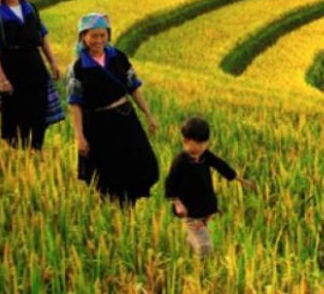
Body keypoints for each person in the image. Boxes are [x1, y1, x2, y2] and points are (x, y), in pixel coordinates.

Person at [65, 13, 159, 204]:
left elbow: (134, 87)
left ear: (108, 35)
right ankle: (114, 209)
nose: (99, 40)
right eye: (93, 36)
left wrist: (148, 114)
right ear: (83, 37)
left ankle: (130, 205)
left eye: (103, 35)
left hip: (125, 119)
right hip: (99, 125)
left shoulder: (119, 57)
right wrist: (80, 136)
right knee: (108, 171)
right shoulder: (78, 67)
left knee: (140, 161)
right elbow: (75, 103)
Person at [0, 0, 61, 150]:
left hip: (35, 65)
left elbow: (42, 37)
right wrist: (2, 79)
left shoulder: (31, 8)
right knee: (15, 114)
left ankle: (36, 150)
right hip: (11, 68)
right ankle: (16, 154)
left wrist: (52, 62)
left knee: (38, 110)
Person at [164, 116, 256, 258]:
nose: (201, 147)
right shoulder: (180, 161)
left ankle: (191, 244)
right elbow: (170, 183)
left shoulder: (205, 155)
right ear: (185, 141)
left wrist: (241, 180)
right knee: (205, 244)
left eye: (204, 143)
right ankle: (202, 263)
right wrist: (178, 203)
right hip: (190, 208)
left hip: (206, 204)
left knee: (201, 231)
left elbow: (222, 166)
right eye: (197, 144)